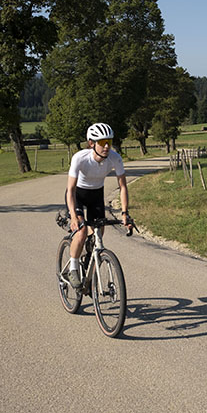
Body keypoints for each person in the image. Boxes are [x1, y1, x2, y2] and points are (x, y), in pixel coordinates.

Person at [66, 122, 130, 288]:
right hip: (78, 195)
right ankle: (73, 268)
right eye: (102, 142)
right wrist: (73, 216)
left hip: (96, 195)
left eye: (109, 141)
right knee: (80, 232)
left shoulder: (115, 158)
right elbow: (70, 190)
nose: (107, 146)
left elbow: (123, 186)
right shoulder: (80, 158)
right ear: (91, 143)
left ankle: (90, 257)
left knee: (99, 232)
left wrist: (125, 213)